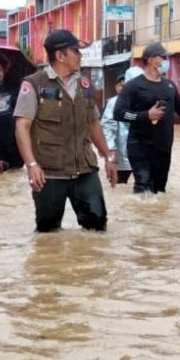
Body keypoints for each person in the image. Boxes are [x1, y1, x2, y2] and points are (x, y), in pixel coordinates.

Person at [14, 29, 118, 232]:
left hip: (85, 170)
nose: (81, 56)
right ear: (60, 56)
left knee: (97, 228)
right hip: (50, 173)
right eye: (76, 51)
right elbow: (22, 126)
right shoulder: (34, 85)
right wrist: (31, 165)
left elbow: (94, 123)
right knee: (48, 234)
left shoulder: (84, 84)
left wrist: (108, 157)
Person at [113, 41, 180, 194]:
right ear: (150, 59)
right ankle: (141, 218)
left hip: (163, 146)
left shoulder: (169, 86)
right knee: (143, 187)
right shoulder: (133, 86)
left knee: (159, 191)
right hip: (140, 146)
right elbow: (119, 113)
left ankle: (154, 218)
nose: (166, 60)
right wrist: (146, 115)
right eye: (162, 57)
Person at [101, 71, 137, 185]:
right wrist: (110, 152)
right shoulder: (113, 103)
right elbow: (108, 128)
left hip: (139, 154)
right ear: (116, 87)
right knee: (120, 187)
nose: (123, 88)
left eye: (126, 85)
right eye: (121, 85)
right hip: (120, 155)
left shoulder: (140, 101)